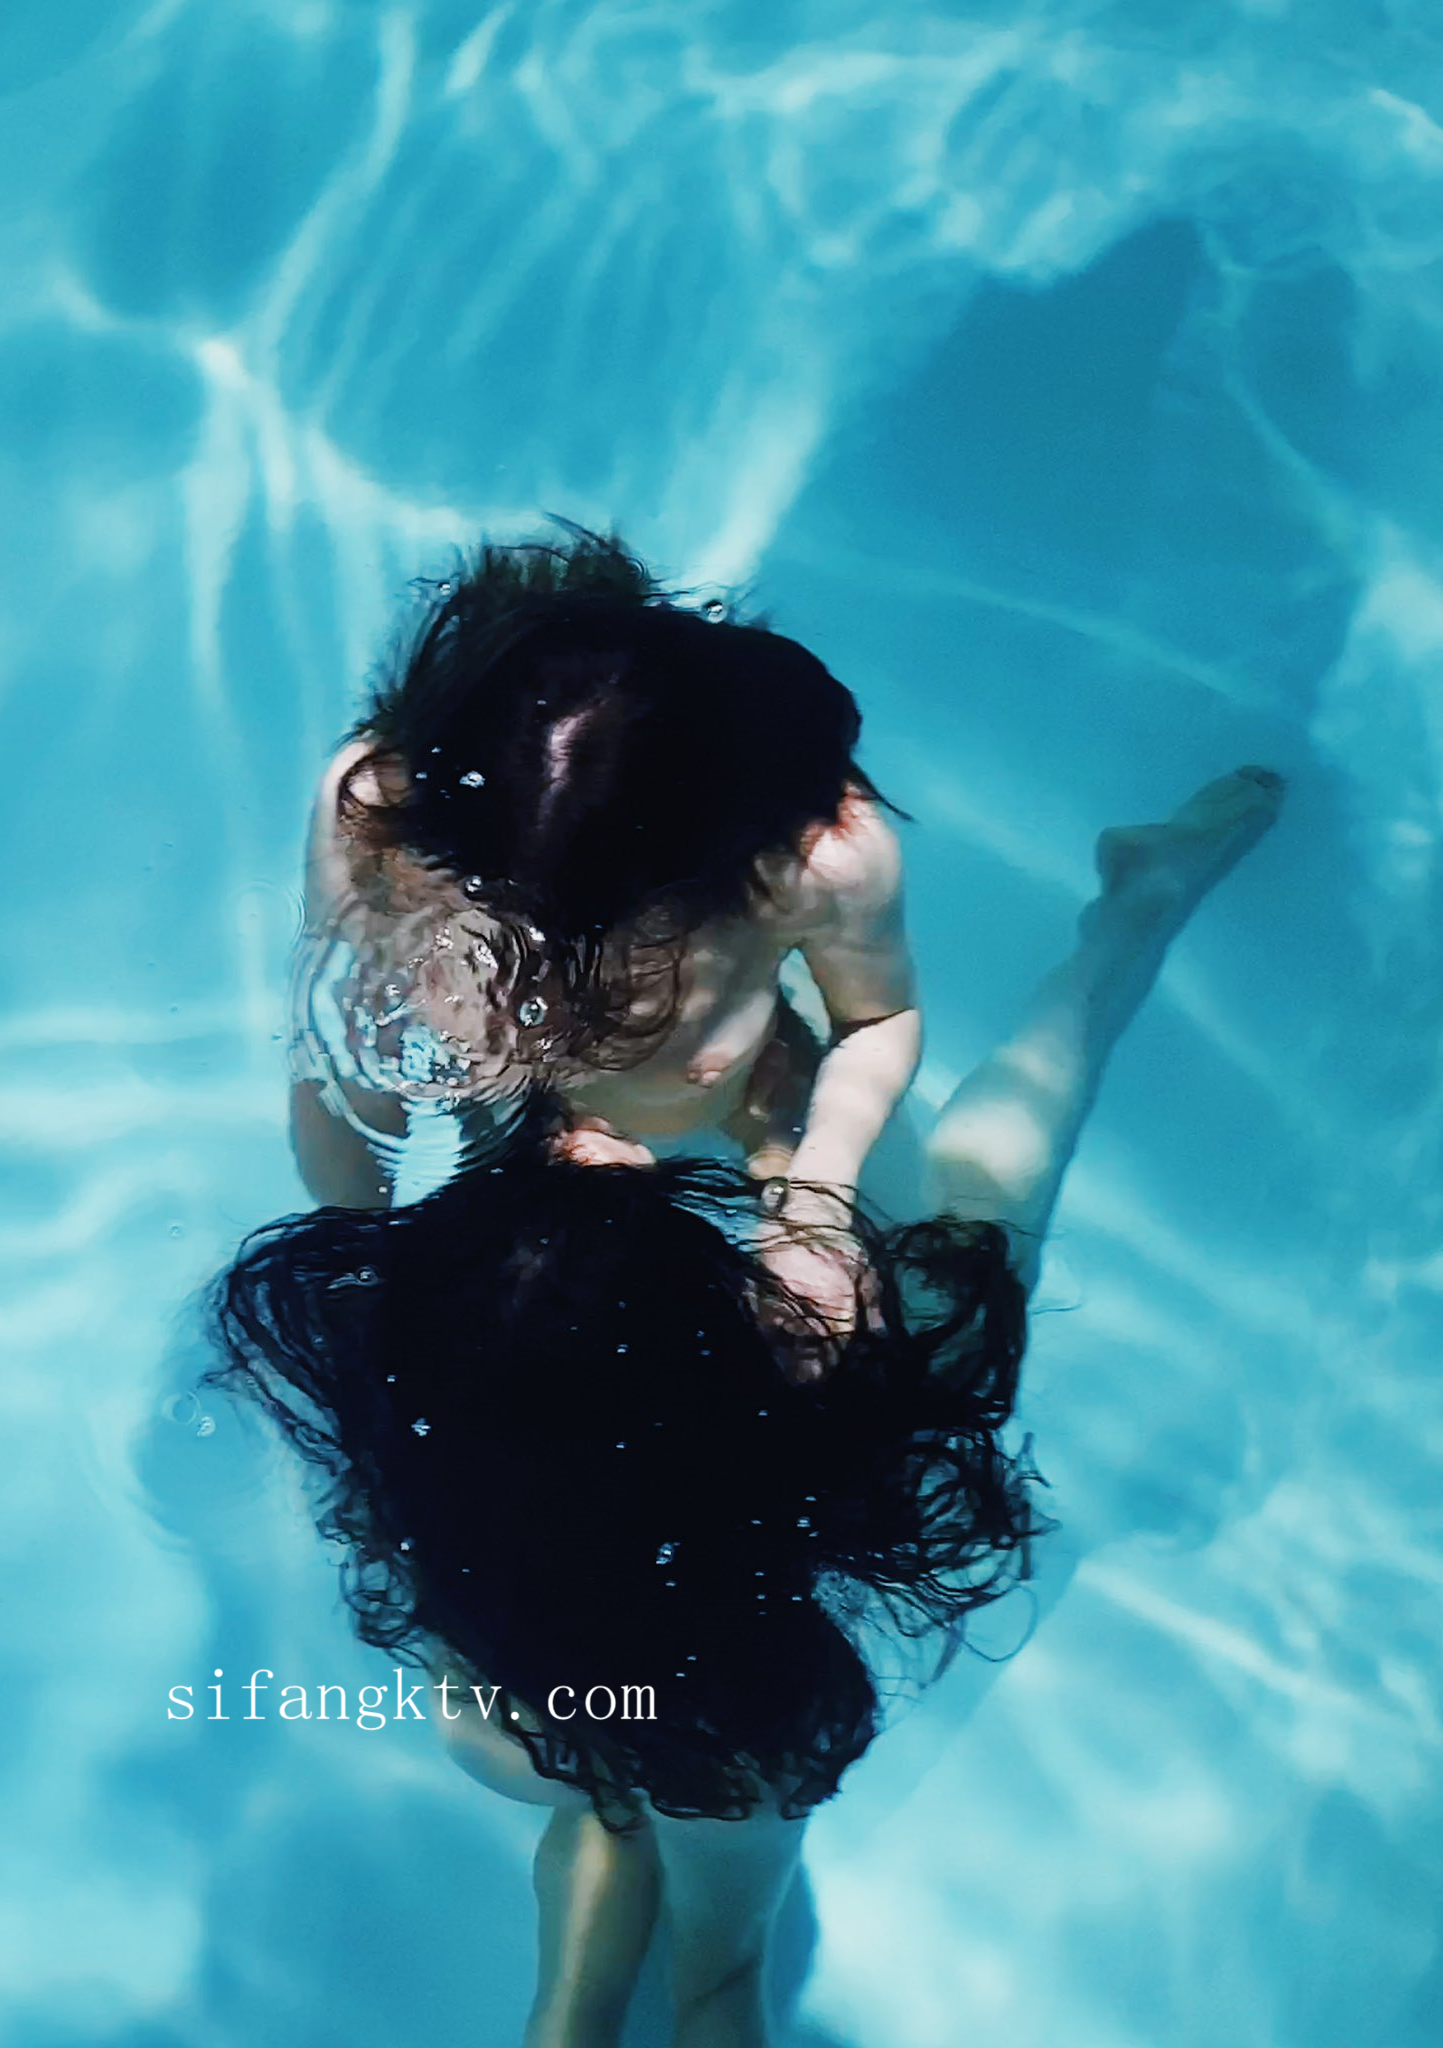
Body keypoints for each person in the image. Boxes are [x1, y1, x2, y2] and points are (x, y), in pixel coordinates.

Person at [215, 765, 1285, 2048]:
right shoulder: (828, 1386)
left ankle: (567, 2018)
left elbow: (392, 1228)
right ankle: (1134, 914)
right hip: (727, 1736)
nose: (602, 1142)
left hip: (513, 1712)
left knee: (607, 1774)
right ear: (750, 1338)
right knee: (986, 1197)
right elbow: (821, 1253)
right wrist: (794, 1151)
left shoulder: (418, 1427)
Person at [290, 526, 923, 1323]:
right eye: (491, 880)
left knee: (912, 1305)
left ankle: (1085, 983)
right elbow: (341, 1053)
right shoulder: (380, 811)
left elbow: (877, 1020)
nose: (531, 926)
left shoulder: (817, 860)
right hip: (513, 1144)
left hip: (753, 1106)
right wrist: (358, 1258)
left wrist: (816, 1202)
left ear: (712, 853)